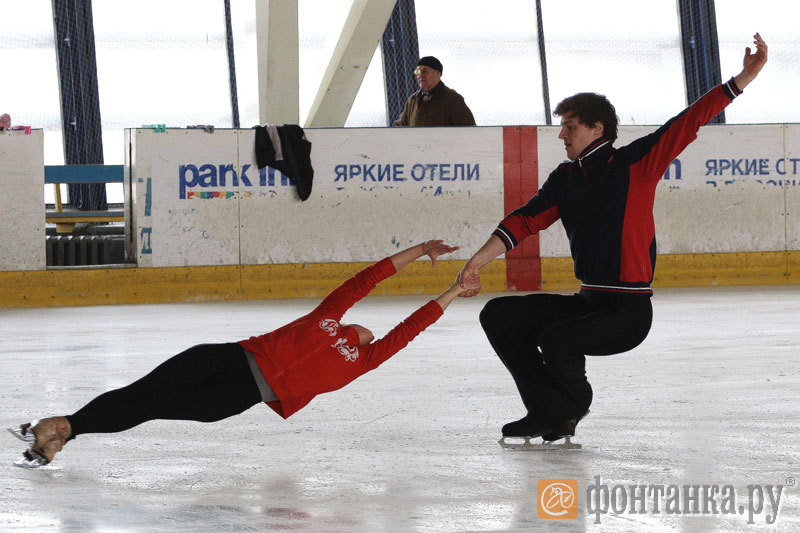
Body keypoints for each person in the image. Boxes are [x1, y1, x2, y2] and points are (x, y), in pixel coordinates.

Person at [457, 34, 769, 444]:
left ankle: (572, 404)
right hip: (588, 302)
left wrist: (742, 79)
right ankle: (547, 410)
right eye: (561, 126)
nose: (561, 135)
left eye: (569, 126)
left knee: (556, 340)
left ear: (596, 128)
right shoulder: (565, 180)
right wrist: (476, 262)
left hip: (627, 313)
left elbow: (687, 121)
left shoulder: (635, 164)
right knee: (498, 315)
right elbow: (524, 221)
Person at [9, 240, 478, 468]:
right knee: (140, 391)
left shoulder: (362, 361)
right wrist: (419, 251)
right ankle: (64, 429)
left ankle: (66, 430)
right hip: (225, 358)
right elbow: (365, 280)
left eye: (372, 334)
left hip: (238, 395)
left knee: (149, 407)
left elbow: (411, 328)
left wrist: (455, 290)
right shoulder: (327, 318)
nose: (367, 328)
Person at [394, 56, 476, 126]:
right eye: (418, 71)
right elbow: (401, 127)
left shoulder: (453, 99)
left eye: (425, 71)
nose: (420, 75)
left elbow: (469, 130)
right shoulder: (412, 100)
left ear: (438, 73)